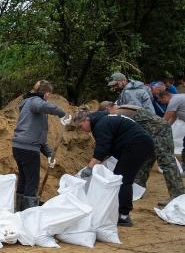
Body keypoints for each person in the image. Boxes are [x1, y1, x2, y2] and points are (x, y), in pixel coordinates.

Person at [72, 110, 154, 226]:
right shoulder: (104, 120)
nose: (82, 130)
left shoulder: (101, 125)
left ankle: (124, 216)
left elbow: (102, 149)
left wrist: (90, 167)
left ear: (86, 119)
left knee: (122, 180)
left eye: (81, 126)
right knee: (119, 177)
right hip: (139, 144)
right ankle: (120, 213)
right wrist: (92, 165)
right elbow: (107, 150)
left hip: (137, 146)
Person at [100, 102, 184, 207]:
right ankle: (137, 190)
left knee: (166, 162)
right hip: (150, 133)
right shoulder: (122, 109)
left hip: (159, 131)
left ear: (108, 108)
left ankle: (177, 195)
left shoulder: (120, 113)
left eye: (105, 113)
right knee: (145, 161)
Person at [11, 80, 69, 210]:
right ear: (46, 93)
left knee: (24, 179)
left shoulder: (28, 105)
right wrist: (62, 114)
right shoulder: (34, 102)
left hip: (19, 146)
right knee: (32, 182)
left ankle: (19, 211)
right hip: (28, 149)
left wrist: (49, 154)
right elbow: (44, 106)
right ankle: (28, 215)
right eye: (49, 94)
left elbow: (37, 136)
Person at [158, 90, 185, 163]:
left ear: (165, 97)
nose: (161, 102)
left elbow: (165, 118)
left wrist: (157, 129)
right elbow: (173, 117)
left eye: (161, 100)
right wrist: (166, 127)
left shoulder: (173, 101)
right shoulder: (178, 98)